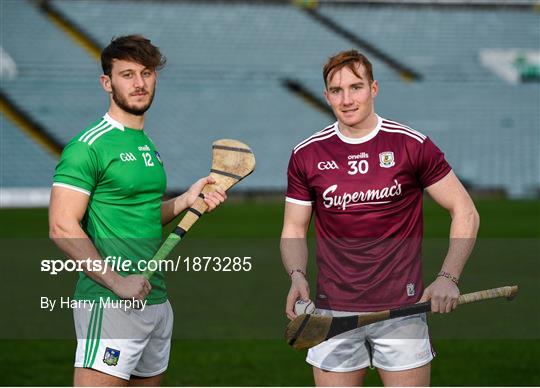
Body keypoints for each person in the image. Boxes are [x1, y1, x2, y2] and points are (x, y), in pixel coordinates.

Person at [281, 50, 479, 386]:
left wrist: (449, 276)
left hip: (403, 310)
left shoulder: (411, 145)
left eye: (356, 87)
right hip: (333, 312)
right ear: (326, 95)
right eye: (337, 90)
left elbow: (465, 211)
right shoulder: (307, 153)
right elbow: (294, 227)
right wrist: (297, 275)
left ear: (374, 88)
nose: (347, 99)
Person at [49, 35, 226, 386]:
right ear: (107, 82)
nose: (139, 83)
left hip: (154, 299)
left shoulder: (147, 145)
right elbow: (61, 226)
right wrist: (117, 282)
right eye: (127, 74)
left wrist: (185, 200)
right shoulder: (88, 146)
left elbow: (143, 215)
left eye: (146, 73)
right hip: (110, 301)